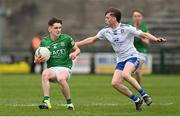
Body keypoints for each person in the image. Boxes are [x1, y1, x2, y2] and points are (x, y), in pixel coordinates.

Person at [76, 8, 166, 111]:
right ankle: (137, 100)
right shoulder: (106, 31)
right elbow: (91, 39)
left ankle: (145, 95)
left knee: (125, 74)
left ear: (114, 18)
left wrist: (155, 39)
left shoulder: (127, 28)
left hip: (132, 56)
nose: (105, 19)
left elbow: (144, 34)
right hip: (121, 60)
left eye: (107, 17)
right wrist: (75, 44)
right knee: (115, 83)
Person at [34, 17, 80, 110]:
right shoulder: (44, 41)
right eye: (56, 28)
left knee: (61, 78)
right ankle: (46, 101)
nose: (58, 30)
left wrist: (74, 53)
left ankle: (69, 104)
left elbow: (78, 49)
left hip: (65, 67)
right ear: (50, 29)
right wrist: (37, 60)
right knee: (45, 73)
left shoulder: (67, 38)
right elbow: (36, 57)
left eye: (60, 28)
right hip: (52, 69)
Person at [128, 9, 149, 85]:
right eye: (135, 16)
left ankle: (138, 86)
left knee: (137, 71)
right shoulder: (129, 26)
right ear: (132, 17)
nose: (137, 18)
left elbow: (147, 42)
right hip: (129, 52)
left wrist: (139, 34)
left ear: (142, 17)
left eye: (138, 16)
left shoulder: (144, 27)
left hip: (141, 51)